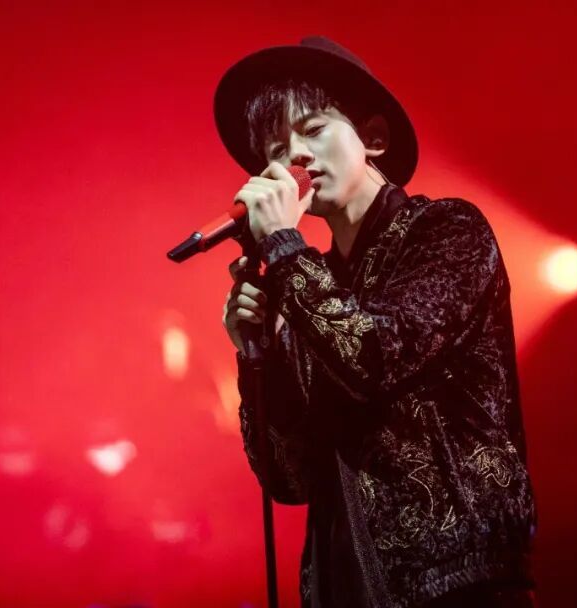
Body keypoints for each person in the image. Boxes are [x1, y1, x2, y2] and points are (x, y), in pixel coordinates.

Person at [217, 36, 538, 607]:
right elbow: (289, 480)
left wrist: (286, 249)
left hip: (455, 586)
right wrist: (256, 355)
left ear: (374, 138)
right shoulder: (311, 288)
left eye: (314, 129)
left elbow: (374, 356)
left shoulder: (448, 232)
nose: (297, 158)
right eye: (277, 149)